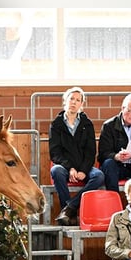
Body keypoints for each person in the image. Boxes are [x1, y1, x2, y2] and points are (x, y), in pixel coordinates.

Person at [49, 87, 104, 226]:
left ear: (81, 104)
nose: (74, 102)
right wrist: (70, 168)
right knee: (56, 171)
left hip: (83, 167)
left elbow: (91, 152)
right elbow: (55, 153)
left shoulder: (87, 124)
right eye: (71, 99)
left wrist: (84, 171)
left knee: (99, 176)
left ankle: (69, 209)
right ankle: (68, 211)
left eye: (78, 100)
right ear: (65, 101)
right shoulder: (56, 125)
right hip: (65, 167)